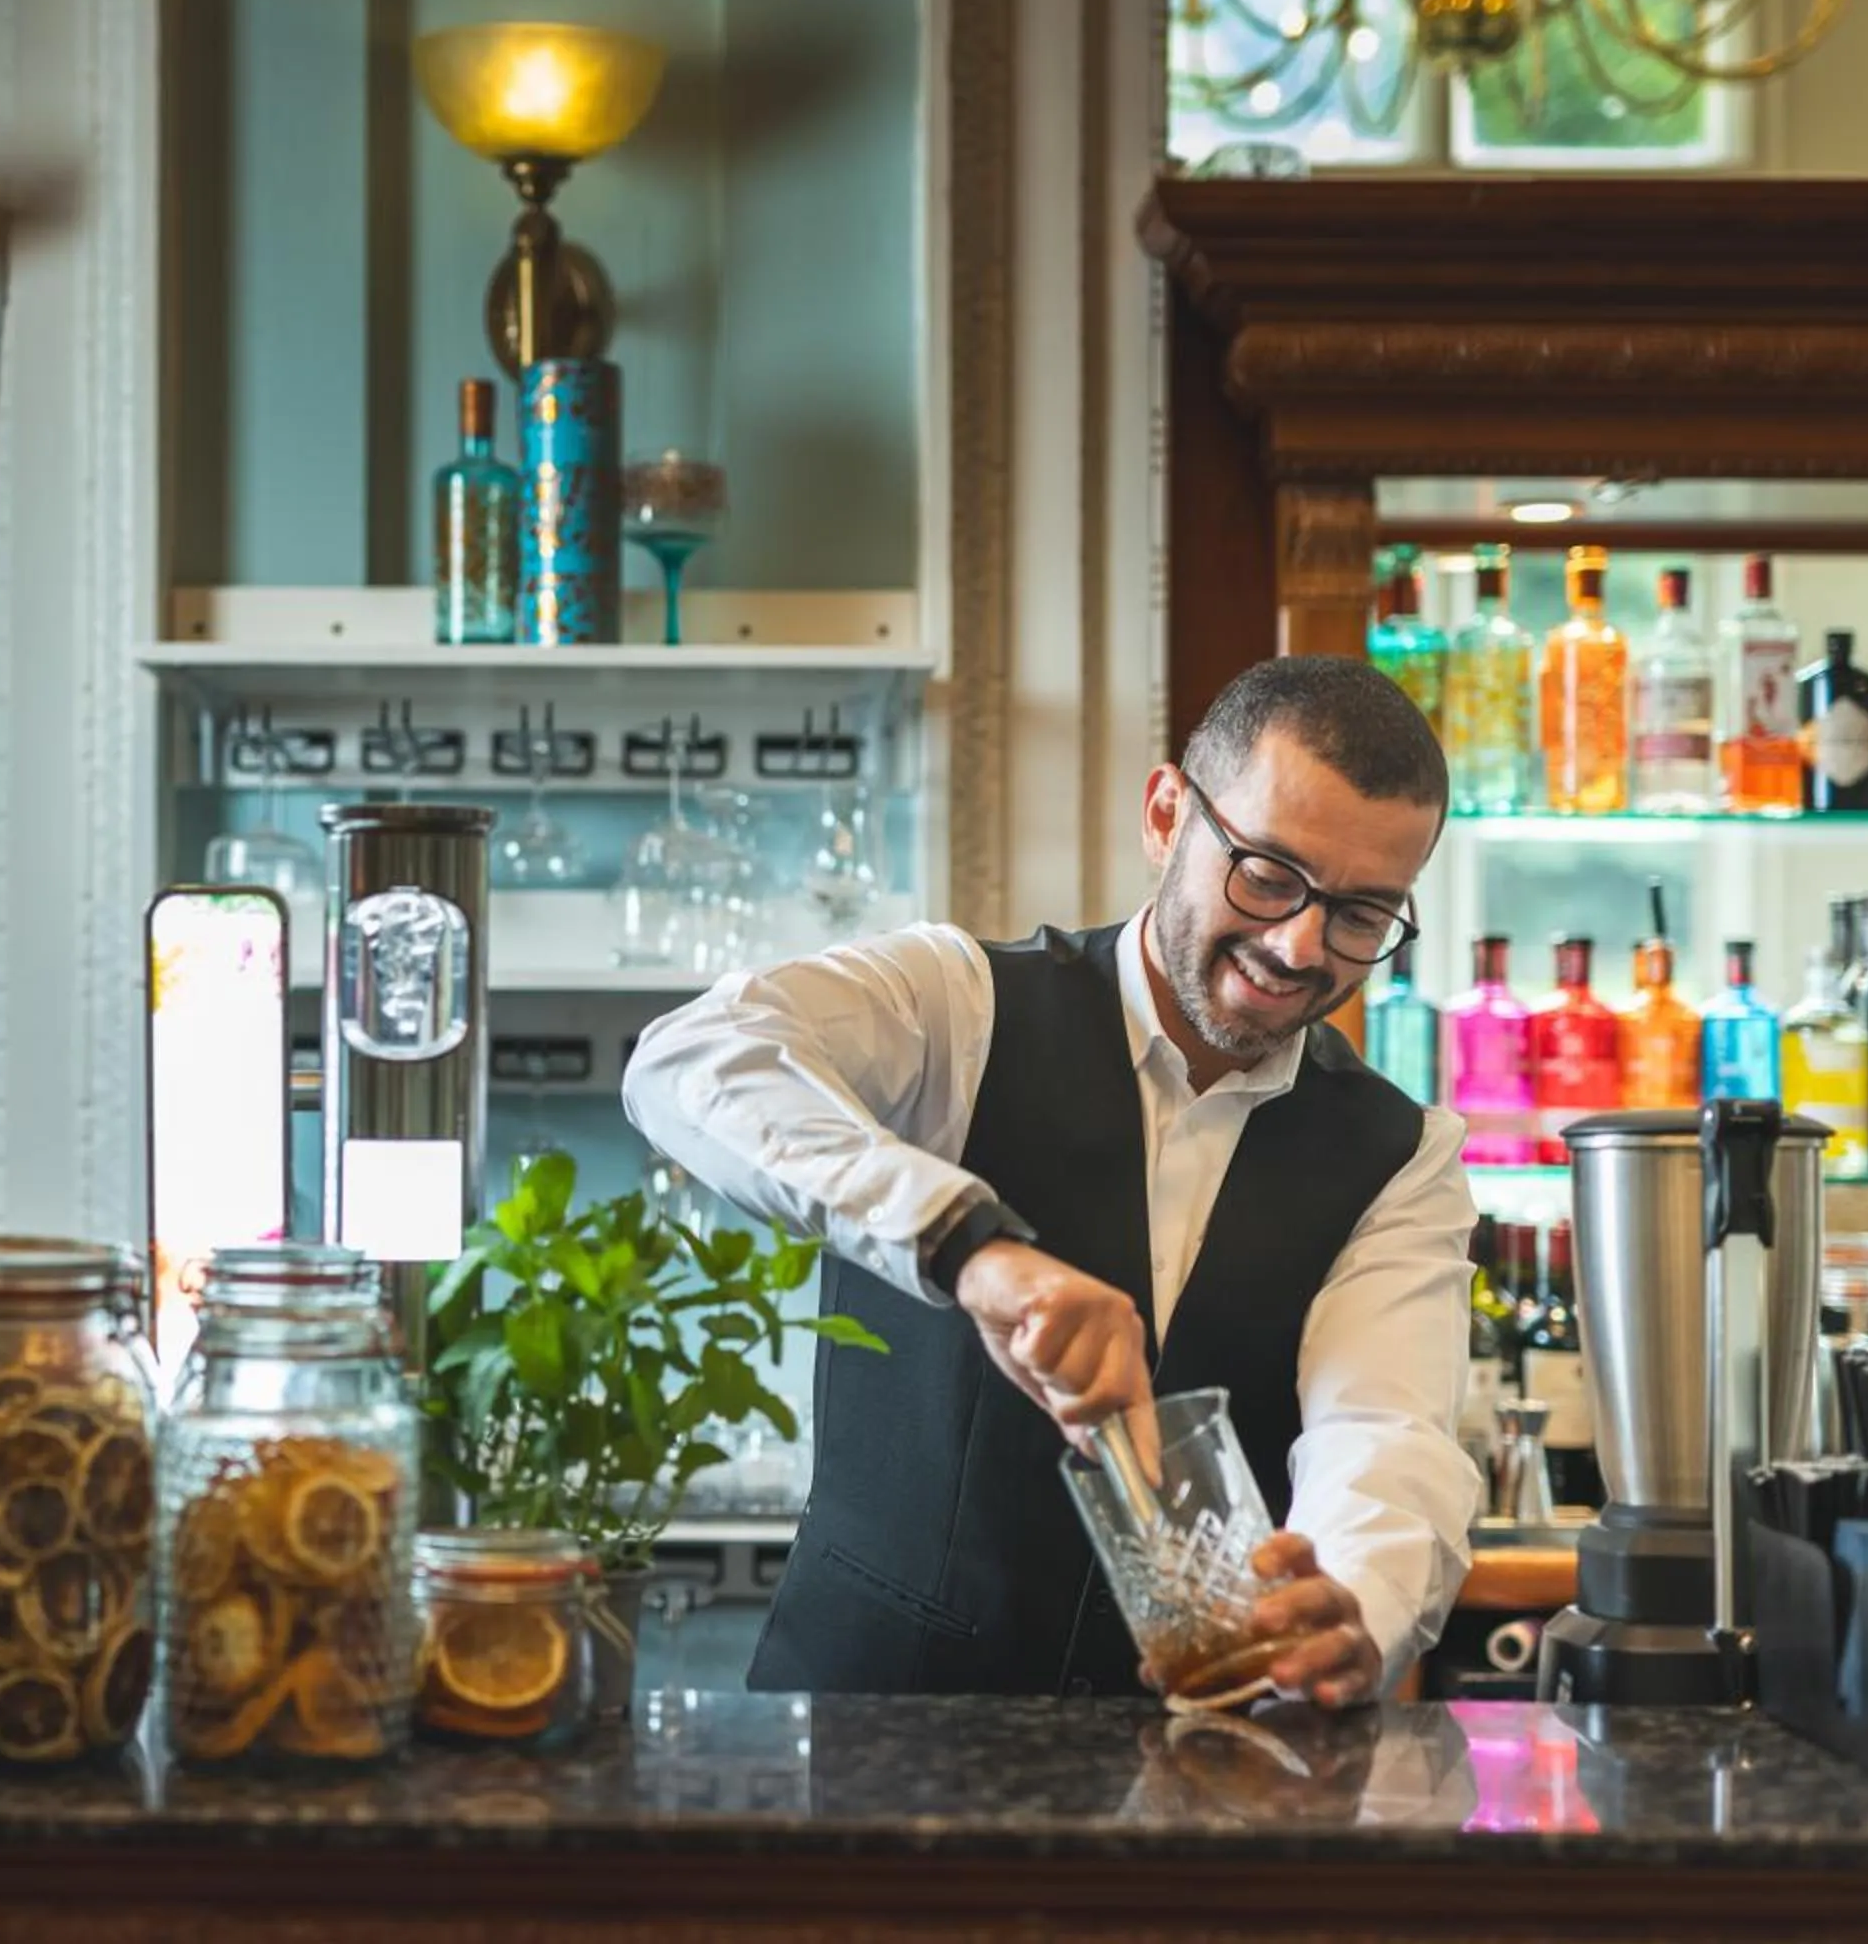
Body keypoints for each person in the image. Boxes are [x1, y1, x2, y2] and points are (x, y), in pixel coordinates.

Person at [623, 655, 1479, 1706]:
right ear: (1167, 816)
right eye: (1266, 875)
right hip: (869, 1735)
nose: (1300, 946)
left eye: (1361, 916)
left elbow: (1387, 1434)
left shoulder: (1402, 1154)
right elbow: (693, 1057)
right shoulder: (960, 1006)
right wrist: (973, 1251)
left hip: (1195, 1759)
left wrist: (1354, 1606)